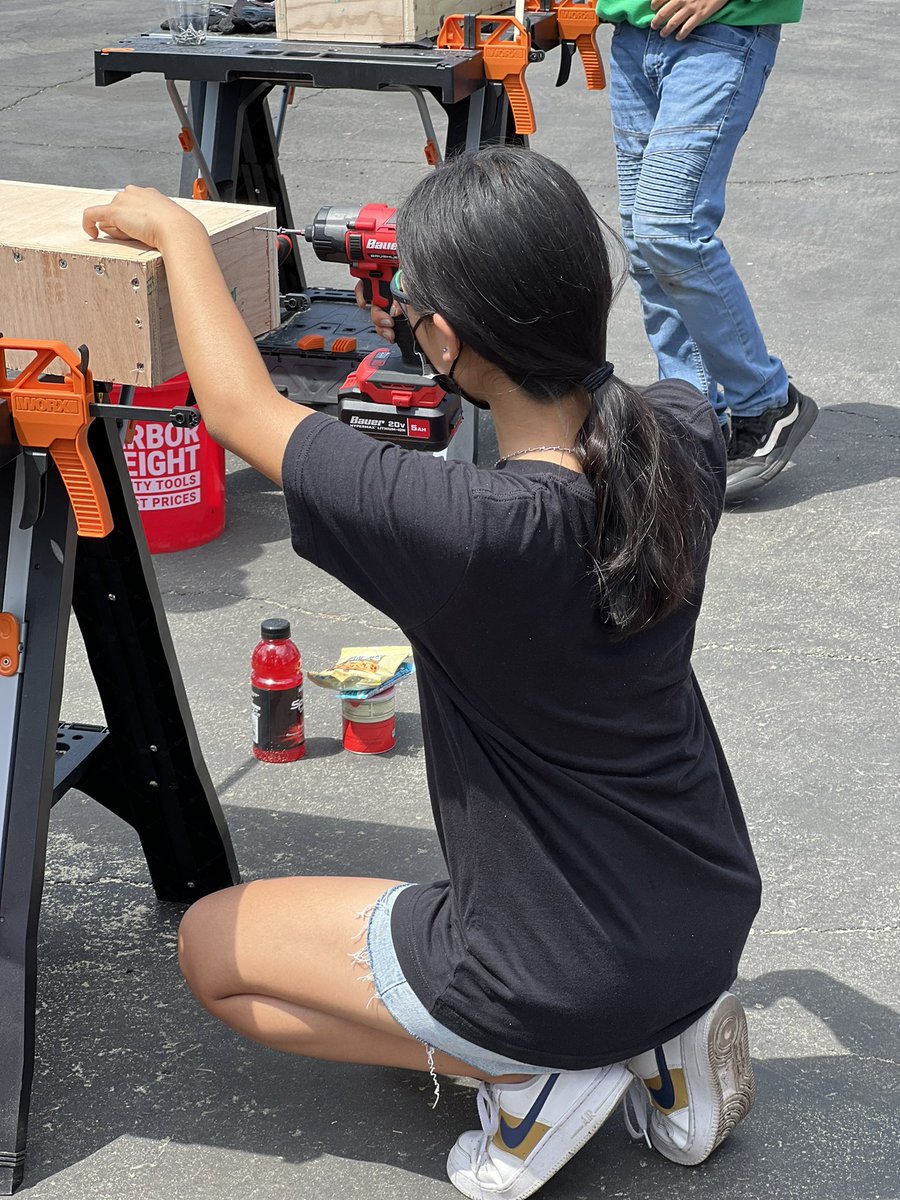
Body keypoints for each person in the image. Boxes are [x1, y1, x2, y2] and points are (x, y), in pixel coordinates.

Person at [82, 146, 762, 1200]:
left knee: (213, 953)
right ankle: (662, 1041)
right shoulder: (682, 434)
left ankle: (526, 1072)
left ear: (443, 340)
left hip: (554, 975)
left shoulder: (470, 534)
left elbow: (237, 409)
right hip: (707, 913)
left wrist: (176, 232)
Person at [599, 0, 817, 501]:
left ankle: (766, 402)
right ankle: (692, 419)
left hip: (720, 30)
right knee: (644, 243)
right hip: (634, 34)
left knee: (668, 228)